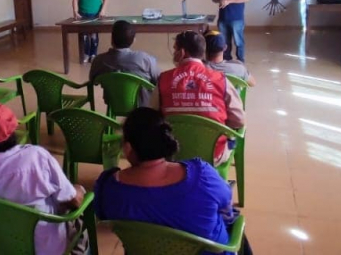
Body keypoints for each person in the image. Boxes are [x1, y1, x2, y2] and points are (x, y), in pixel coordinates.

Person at [94, 107, 251, 255]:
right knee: (234, 222)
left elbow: (103, 214)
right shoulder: (203, 175)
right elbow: (226, 205)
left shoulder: (108, 188)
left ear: (128, 148)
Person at [0, 102, 89, 255]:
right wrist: (79, 190)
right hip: (47, 249)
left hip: (1, 245)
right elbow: (74, 201)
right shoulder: (37, 159)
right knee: (78, 207)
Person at [151, 31, 245, 166]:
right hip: (213, 154)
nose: (174, 53)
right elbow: (239, 120)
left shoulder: (164, 80)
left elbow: (152, 117)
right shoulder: (220, 80)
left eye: (175, 49)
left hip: (172, 153)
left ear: (182, 52)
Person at [89, 20, 160, 106]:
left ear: (111, 39)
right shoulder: (145, 59)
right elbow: (158, 81)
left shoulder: (99, 60)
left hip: (113, 103)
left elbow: (92, 81)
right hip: (142, 106)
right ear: (133, 40)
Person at [72, 0, 108, 64]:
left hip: (95, 14)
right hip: (82, 14)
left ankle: (93, 54)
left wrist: (102, 11)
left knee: (93, 35)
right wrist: (75, 11)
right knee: (84, 36)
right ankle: (86, 54)